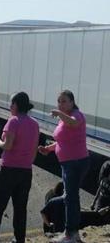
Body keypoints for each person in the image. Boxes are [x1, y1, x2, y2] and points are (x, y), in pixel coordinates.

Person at [0, 92, 39, 243]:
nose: (10, 107)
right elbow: (34, 148)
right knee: (20, 208)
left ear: (16, 105)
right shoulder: (34, 123)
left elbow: (7, 146)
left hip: (9, 169)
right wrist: (27, 162)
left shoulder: (13, 121)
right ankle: (19, 238)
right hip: (26, 171)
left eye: (11, 104)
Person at [38, 90, 90, 243]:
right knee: (70, 198)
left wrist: (59, 114)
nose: (61, 104)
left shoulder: (76, 115)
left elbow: (73, 122)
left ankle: (71, 234)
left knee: (71, 199)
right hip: (69, 163)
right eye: (59, 101)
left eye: (64, 101)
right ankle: (72, 234)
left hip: (75, 163)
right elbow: (62, 141)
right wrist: (48, 149)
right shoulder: (64, 119)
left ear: (72, 102)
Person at [41, 196, 110, 234]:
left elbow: (43, 212)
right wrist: (97, 213)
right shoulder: (72, 202)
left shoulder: (53, 201)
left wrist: (49, 224)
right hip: (67, 232)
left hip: (55, 232)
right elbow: (82, 214)